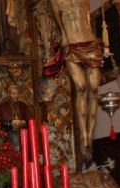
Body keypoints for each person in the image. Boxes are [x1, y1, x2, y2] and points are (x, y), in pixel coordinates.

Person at [45, 0, 104, 160]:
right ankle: (84, 138)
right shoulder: (56, 2)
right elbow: (60, 28)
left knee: (94, 89)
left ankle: (90, 137)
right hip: (71, 46)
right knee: (82, 88)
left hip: (91, 43)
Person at [0, 84, 32, 151]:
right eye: (13, 94)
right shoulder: (2, 107)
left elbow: (30, 121)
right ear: (8, 94)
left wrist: (24, 122)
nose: (16, 96)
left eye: (17, 94)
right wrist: (10, 123)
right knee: (14, 139)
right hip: (8, 135)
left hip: (23, 134)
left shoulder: (23, 105)